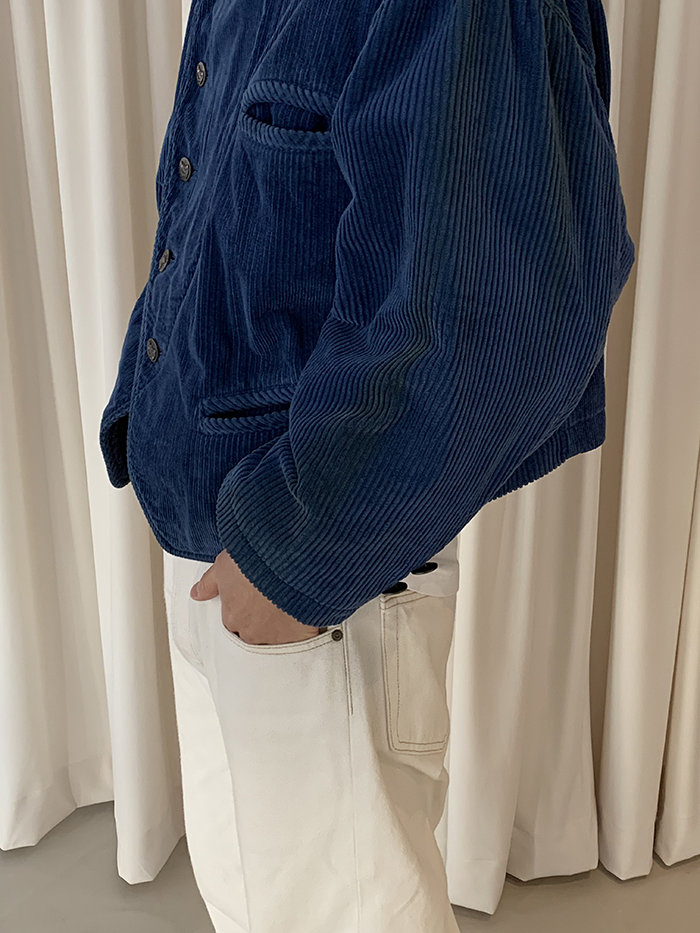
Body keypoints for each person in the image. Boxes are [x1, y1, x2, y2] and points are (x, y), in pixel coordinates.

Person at [99, 1, 635, 930]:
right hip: (224, 536)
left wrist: (293, 557)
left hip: (320, 572)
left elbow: (496, 316)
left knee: (336, 909)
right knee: (254, 897)